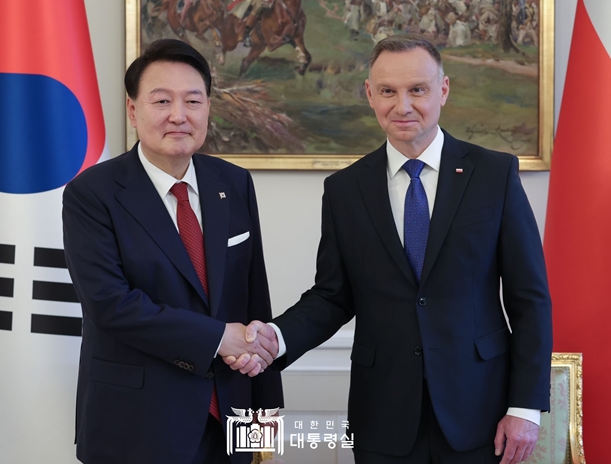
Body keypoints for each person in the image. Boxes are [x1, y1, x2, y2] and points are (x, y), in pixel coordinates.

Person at [230, 34, 552, 464]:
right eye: (388, 91)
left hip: (481, 411)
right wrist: (277, 337)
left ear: (443, 90)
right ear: (369, 94)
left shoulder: (494, 174)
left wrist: (524, 408)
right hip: (382, 415)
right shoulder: (345, 189)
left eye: (417, 89)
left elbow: (529, 299)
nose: (403, 106)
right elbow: (332, 297)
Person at [63, 39, 283, 464]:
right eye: (162, 100)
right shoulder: (93, 194)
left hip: (230, 418)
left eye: (192, 101)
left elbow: (256, 301)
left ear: (207, 109)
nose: (178, 116)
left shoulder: (233, 184)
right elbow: (111, 306)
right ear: (133, 110)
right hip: (137, 425)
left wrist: (262, 427)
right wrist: (218, 337)